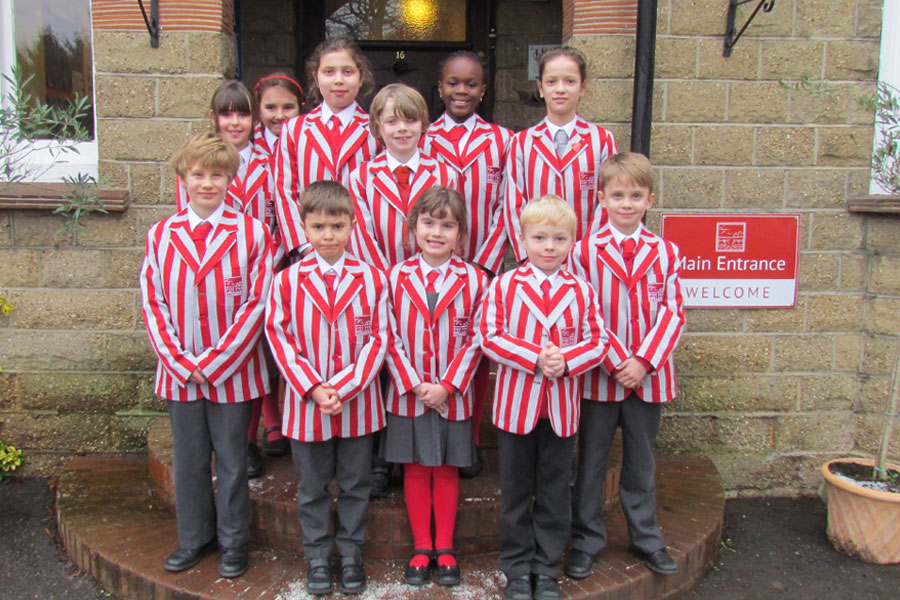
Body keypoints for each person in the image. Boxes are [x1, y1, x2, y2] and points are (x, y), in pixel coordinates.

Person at [141, 132, 274, 579]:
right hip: (179, 372)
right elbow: (153, 301)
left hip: (232, 372)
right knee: (190, 457)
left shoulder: (252, 233)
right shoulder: (161, 234)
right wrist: (180, 360)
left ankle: (234, 542)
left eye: (217, 175)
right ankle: (194, 537)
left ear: (230, 180)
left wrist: (215, 361)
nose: (207, 184)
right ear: (184, 177)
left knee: (234, 460)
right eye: (198, 175)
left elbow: (257, 302)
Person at [480, 195, 611, 600]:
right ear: (522, 240)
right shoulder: (504, 285)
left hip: (561, 410)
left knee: (555, 491)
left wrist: (566, 361)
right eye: (539, 238)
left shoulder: (582, 290)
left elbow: (599, 340)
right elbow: (488, 337)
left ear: (573, 242)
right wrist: (534, 357)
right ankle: (517, 568)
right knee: (517, 492)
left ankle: (547, 567)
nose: (549, 246)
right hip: (516, 408)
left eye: (559, 238)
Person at [265, 180, 388, 596]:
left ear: (353, 225)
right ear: (303, 227)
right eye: (318, 227)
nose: (328, 236)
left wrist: (347, 387)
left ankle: (351, 552)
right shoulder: (287, 281)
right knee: (312, 486)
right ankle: (317, 554)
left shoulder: (372, 279)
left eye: (337, 226)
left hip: (359, 402)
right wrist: (314, 387)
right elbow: (278, 336)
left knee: (356, 483)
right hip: (307, 405)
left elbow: (378, 339)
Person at [567, 152, 685, 579]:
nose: (627, 203)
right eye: (618, 195)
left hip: (648, 380)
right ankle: (585, 539)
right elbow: (586, 313)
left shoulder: (666, 252)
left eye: (636, 195)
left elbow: (674, 313)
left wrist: (645, 361)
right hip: (601, 376)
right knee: (592, 461)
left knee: (641, 461)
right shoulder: (583, 253)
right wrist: (620, 360)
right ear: (601, 198)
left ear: (650, 199)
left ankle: (646, 537)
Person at [383, 186, 487, 587]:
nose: (437, 232)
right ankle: (420, 545)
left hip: (452, 395)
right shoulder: (395, 277)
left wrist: (447, 385)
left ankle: (445, 546)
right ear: (413, 228)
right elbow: (386, 334)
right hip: (408, 394)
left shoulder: (475, 279)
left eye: (448, 225)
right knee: (414, 468)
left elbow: (478, 337)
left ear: (460, 234)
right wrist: (412, 382)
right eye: (428, 223)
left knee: (445, 468)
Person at [420, 52, 512, 477]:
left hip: (480, 266)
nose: (461, 90)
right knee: (429, 353)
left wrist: (484, 265)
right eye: (453, 83)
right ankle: (421, 442)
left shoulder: (502, 141)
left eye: (471, 83)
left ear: (483, 89)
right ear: (440, 88)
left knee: (474, 352)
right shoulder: (423, 139)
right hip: (432, 267)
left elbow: (505, 208)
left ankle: (469, 439)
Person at [240, 72, 305, 469]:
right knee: (254, 344)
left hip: (291, 254)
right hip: (251, 262)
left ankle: (291, 419)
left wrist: (291, 248)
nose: (279, 115)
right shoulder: (248, 152)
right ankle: (264, 425)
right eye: (270, 108)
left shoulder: (301, 142)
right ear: (257, 110)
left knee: (292, 339)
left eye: (288, 108)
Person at [504, 46, 618, 263]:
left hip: (588, 261)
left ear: (583, 87)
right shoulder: (522, 142)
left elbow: (608, 200)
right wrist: (528, 255)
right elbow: (514, 205)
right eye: (551, 81)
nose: (560, 89)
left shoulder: (602, 140)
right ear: (540, 87)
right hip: (537, 262)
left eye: (570, 81)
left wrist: (587, 253)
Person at [275, 37, 379, 260]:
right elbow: (285, 192)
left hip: (362, 252)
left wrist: (367, 247)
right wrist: (304, 246)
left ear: (361, 78)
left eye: (348, 72)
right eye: (329, 72)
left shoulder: (376, 129)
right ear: (316, 77)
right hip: (311, 250)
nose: (338, 80)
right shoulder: (294, 130)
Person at [349, 83, 457, 272]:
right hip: (379, 280)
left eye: (410, 120)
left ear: (423, 123)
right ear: (377, 125)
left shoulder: (444, 175)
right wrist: (387, 281)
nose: (402, 128)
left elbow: (448, 230)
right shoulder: (361, 178)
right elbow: (362, 238)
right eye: (392, 122)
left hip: (428, 279)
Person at [175, 81, 257, 213]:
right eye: (226, 115)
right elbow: (186, 215)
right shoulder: (194, 162)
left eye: (243, 115)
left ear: (255, 118)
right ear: (213, 117)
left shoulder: (271, 165)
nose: (235, 122)